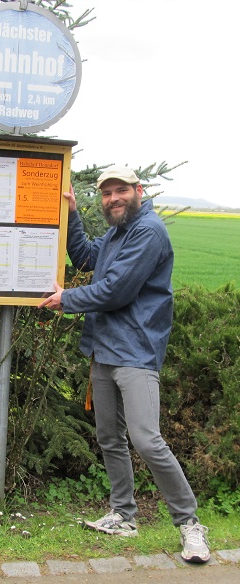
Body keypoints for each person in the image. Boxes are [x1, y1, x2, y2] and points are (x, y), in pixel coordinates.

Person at [39, 166, 210, 563]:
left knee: (146, 439)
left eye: (121, 190)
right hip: (104, 349)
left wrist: (67, 299)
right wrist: (72, 213)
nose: (113, 198)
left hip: (135, 351)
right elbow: (85, 256)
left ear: (138, 190)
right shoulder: (119, 232)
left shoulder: (147, 231)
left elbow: (117, 290)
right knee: (110, 438)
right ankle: (123, 515)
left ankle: (189, 523)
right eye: (107, 193)